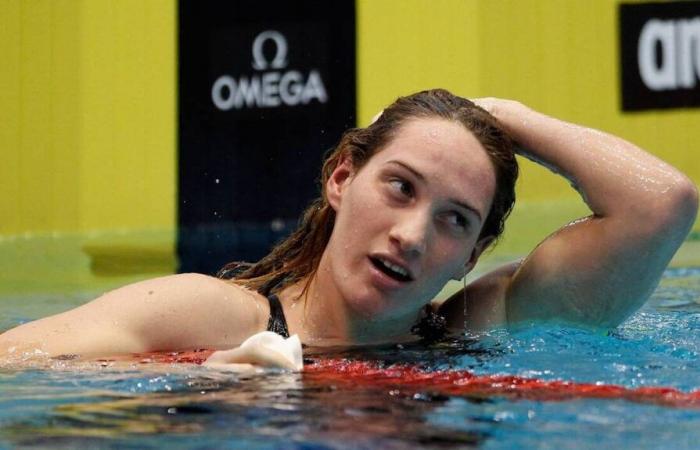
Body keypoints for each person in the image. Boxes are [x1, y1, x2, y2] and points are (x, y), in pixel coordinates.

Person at [0, 89, 697, 360]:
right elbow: (17, 365)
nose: (413, 234)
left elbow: (661, 204)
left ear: (471, 256)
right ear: (341, 178)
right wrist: (185, 381)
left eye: (454, 221)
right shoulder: (214, 316)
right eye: (400, 187)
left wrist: (500, 115)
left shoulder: (478, 329)